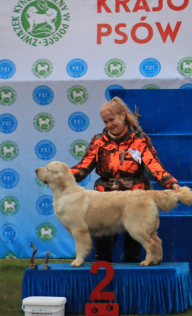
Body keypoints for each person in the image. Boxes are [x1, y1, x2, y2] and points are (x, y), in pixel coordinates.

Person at [69, 96, 184, 263]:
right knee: (102, 251)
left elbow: (154, 166)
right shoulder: (98, 141)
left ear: (123, 116)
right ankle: (101, 276)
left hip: (135, 199)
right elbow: (83, 167)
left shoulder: (139, 139)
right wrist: (61, 175)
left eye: (112, 120)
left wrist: (170, 182)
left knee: (134, 247)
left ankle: (134, 280)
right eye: (105, 121)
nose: (108, 125)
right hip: (105, 200)